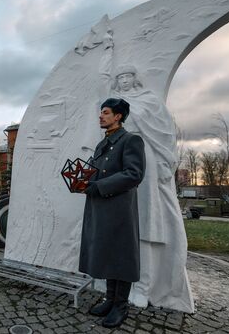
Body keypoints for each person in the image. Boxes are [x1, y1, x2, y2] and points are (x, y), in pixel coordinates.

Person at [110, 65, 193, 311]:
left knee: (145, 223)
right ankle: (114, 287)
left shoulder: (148, 101)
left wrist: (165, 162)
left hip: (144, 158)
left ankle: (143, 286)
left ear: (135, 79)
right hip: (120, 156)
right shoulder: (117, 105)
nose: (123, 81)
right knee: (118, 223)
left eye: (127, 76)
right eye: (120, 77)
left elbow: (164, 132)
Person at [79, 98, 145, 328]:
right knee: (107, 252)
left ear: (118, 116)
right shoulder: (102, 143)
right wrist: (82, 180)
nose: (100, 116)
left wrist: (101, 186)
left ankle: (120, 306)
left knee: (121, 256)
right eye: (101, 112)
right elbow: (95, 172)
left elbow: (134, 174)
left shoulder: (131, 140)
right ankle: (109, 299)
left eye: (105, 113)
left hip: (119, 209)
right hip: (99, 206)